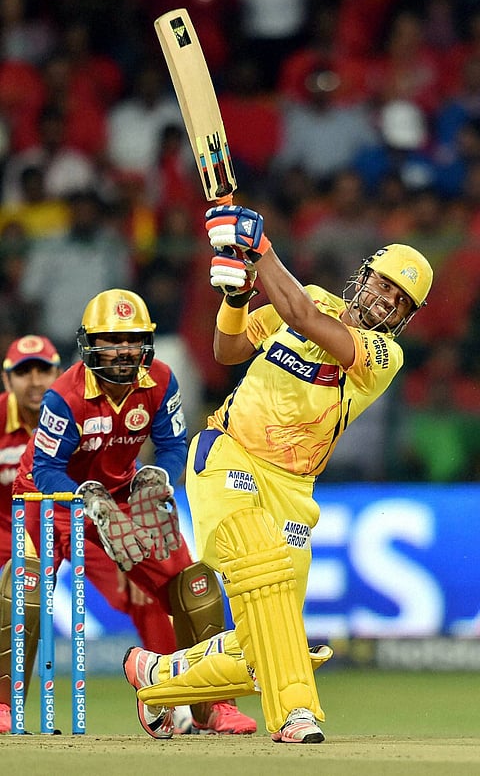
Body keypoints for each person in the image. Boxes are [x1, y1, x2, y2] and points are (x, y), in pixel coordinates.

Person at [123, 204, 433, 744]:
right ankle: (297, 713)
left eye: (398, 301)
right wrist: (236, 300)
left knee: (265, 643)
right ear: (363, 276)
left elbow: (305, 322)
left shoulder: (383, 355)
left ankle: (155, 675)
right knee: (260, 565)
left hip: (293, 489)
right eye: (382, 285)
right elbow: (228, 349)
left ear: (404, 318)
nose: (384, 301)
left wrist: (260, 251)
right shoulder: (310, 295)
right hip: (229, 454)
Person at [7, 288, 255, 737]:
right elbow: (45, 469)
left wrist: (160, 478)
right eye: (111, 339)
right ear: (90, 343)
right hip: (50, 502)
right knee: (21, 596)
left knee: (194, 587)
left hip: (123, 495)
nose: (122, 350)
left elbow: (175, 444)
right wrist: (87, 498)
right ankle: (4, 708)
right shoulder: (64, 395)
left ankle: (213, 705)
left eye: (132, 339)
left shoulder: (161, 379)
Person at [0, 334, 61, 733]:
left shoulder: (72, 414)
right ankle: (5, 706)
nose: (35, 381)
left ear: (58, 373)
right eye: (24, 372)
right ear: (8, 380)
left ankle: (188, 703)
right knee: (19, 589)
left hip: (64, 531)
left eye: (43, 371)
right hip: (7, 534)